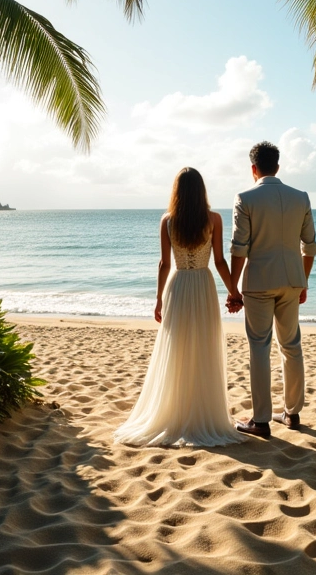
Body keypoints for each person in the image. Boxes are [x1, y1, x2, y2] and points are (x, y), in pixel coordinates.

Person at [115, 167, 245, 447]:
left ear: (177, 191)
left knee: (177, 348)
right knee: (203, 347)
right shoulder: (213, 219)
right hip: (203, 285)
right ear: (201, 191)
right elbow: (220, 261)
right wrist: (235, 291)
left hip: (178, 285)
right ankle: (201, 412)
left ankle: (175, 411)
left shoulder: (168, 221)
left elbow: (164, 264)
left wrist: (159, 298)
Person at [227, 141, 316, 438]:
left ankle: (262, 420)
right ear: (277, 167)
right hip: (292, 280)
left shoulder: (245, 198)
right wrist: (302, 281)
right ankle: (292, 414)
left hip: (259, 283)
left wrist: (233, 289)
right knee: (291, 346)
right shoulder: (300, 197)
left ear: (253, 169)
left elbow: (239, 248)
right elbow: (310, 247)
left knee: (259, 347)